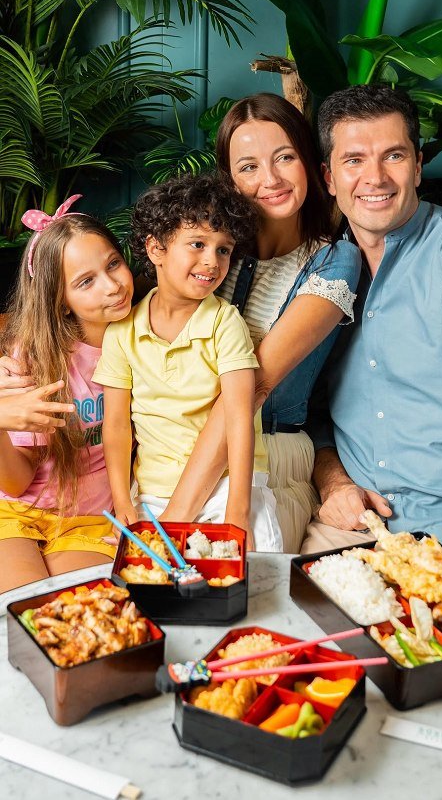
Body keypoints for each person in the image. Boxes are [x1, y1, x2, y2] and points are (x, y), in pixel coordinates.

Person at [301, 84, 442, 609]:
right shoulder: (322, 276)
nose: (375, 177)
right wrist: (334, 483)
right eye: (354, 160)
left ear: (419, 165)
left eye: (394, 156)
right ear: (329, 177)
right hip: (358, 529)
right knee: (300, 624)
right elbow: (309, 416)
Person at [157, 93, 361, 552]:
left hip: (267, 461)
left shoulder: (334, 261)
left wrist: (174, 519)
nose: (270, 179)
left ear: (309, 161)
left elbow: (254, 388)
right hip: (171, 456)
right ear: (229, 180)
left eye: (285, 157)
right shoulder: (210, 255)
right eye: (248, 167)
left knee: (225, 582)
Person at [94, 172, 282, 551]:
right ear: (156, 249)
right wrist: (122, 500)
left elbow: (239, 418)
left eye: (224, 250)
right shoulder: (122, 333)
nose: (212, 261)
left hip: (229, 484)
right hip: (154, 490)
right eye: (197, 244)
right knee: (146, 578)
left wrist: (238, 511)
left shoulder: (225, 322)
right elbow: (115, 427)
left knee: (253, 565)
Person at [0, 197, 134, 593]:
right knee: (21, 608)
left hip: (89, 521)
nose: (112, 286)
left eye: (113, 264)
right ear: (61, 301)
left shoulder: (146, 339)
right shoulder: (35, 357)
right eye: (86, 281)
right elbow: (17, 482)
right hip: (15, 511)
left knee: (74, 612)